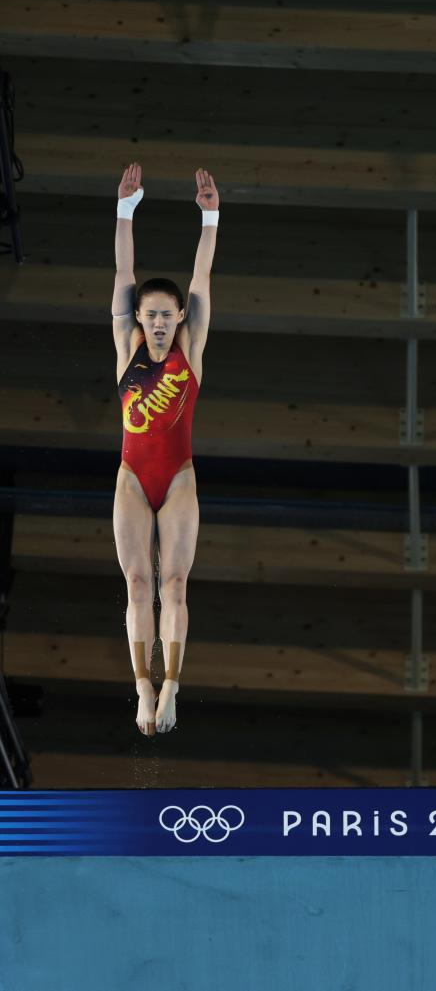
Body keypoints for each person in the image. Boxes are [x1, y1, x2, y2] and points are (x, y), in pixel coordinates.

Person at [111, 162, 219, 735]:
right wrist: (126, 210)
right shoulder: (125, 343)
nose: (155, 322)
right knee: (136, 583)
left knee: (173, 583)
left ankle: (172, 687)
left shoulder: (189, 349)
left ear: (180, 319)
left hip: (177, 476)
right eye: (148, 314)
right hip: (132, 474)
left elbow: (201, 280)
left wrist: (210, 218)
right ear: (139, 318)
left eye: (165, 316)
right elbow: (123, 269)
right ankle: (142, 686)